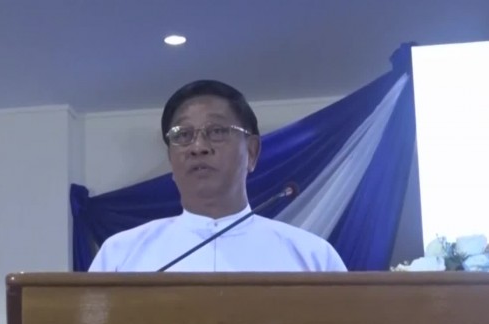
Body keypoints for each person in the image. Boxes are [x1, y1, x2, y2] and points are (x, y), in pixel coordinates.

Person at [88, 80, 347, 272]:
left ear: (252, 152)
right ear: (171, 160)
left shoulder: (312, 258)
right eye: (183, 135)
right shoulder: (120, 256)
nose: (198, 147)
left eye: (217, 131)